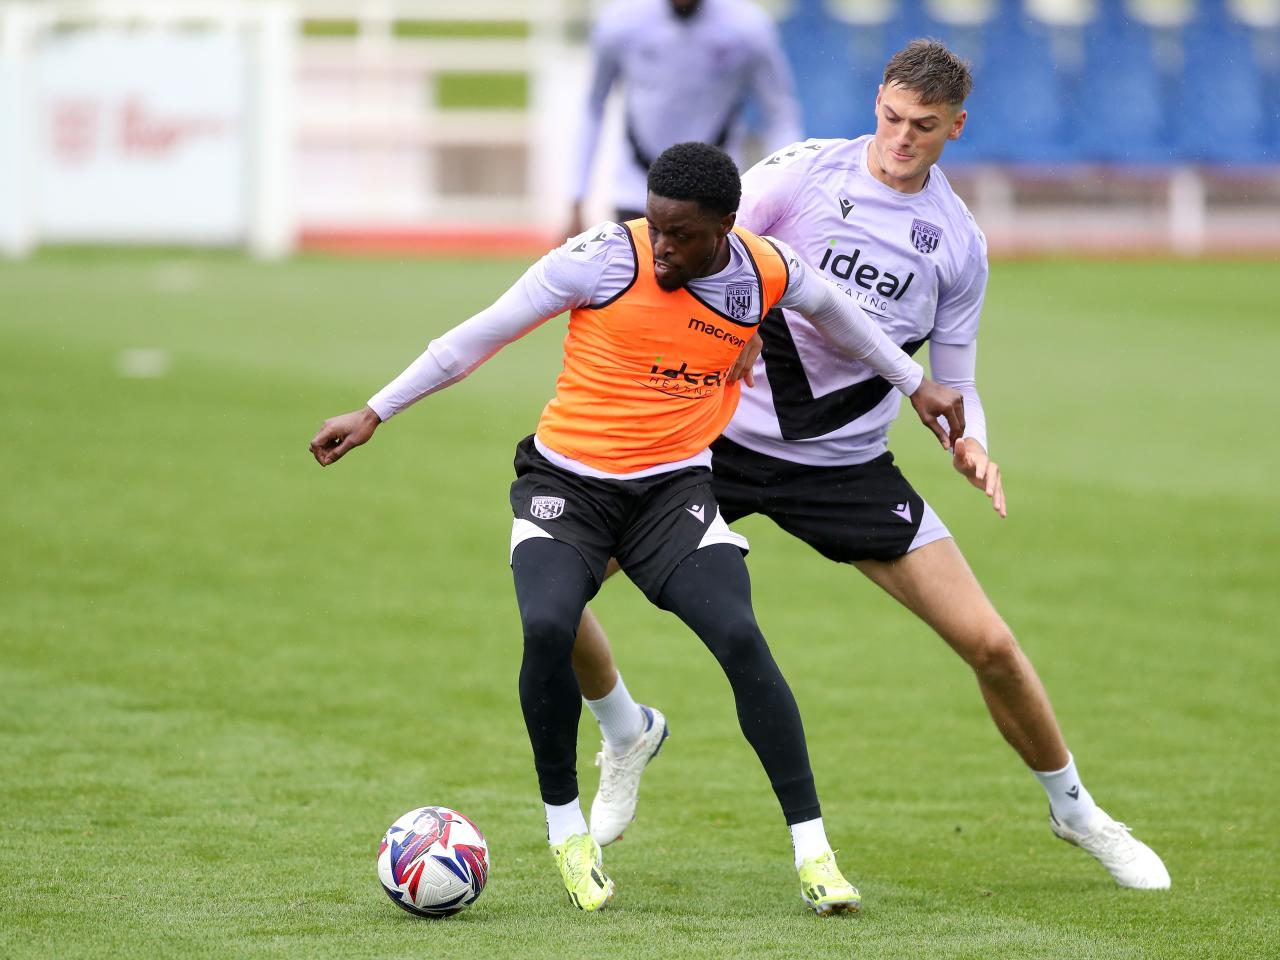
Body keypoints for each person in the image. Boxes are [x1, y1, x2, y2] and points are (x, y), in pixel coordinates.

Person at [571, 40, 1172, 891]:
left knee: (991, 644)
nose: (900, 138)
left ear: (955, 128)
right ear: (876, 104)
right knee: (559, 591)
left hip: (845, 468)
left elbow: (955, 384)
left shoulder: (958, 245)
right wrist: (728, 336)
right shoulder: (802, 174)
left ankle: (1077, 810)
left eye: (923, 127)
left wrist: (972, 442)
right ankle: (626, 728)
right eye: (890, 117)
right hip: (717, 442)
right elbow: (702, 256)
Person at [309, 142, 965, 914]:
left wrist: (917, 383)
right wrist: (374, 411)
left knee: (742, 639)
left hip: (672, 494)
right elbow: (475, 338)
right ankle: (568, 834)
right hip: (566, 486)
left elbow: (840, 316)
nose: (661, 247)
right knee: (549, 624)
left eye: (680, 234)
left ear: (726, 224)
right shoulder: (598, 261)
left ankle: (815, 854)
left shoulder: (766, 270)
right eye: (653, 227)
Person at [569, 0, 801, 235]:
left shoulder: (749, 28)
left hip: (714, 195)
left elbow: (779, 112)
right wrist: (576, 197)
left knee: (711, 272)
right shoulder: (620, 21)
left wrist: (787, 192)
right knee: (638, 271)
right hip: (636, 190)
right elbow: (594, 107)